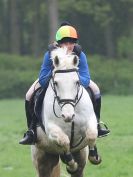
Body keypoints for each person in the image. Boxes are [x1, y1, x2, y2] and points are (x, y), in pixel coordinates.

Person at [19, 22, 110, 164]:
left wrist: (72, 77)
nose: (69, 45)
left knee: (96, 90)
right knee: (29, 94)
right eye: (65, 42)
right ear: (58, 43)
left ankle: (97, 124)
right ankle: (31, 131)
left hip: (74, 80)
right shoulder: (49, 54)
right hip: (55, 80)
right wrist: (58, 74)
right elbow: (43, 80)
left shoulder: (80, 54)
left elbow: (85, 79)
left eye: (72, 42)